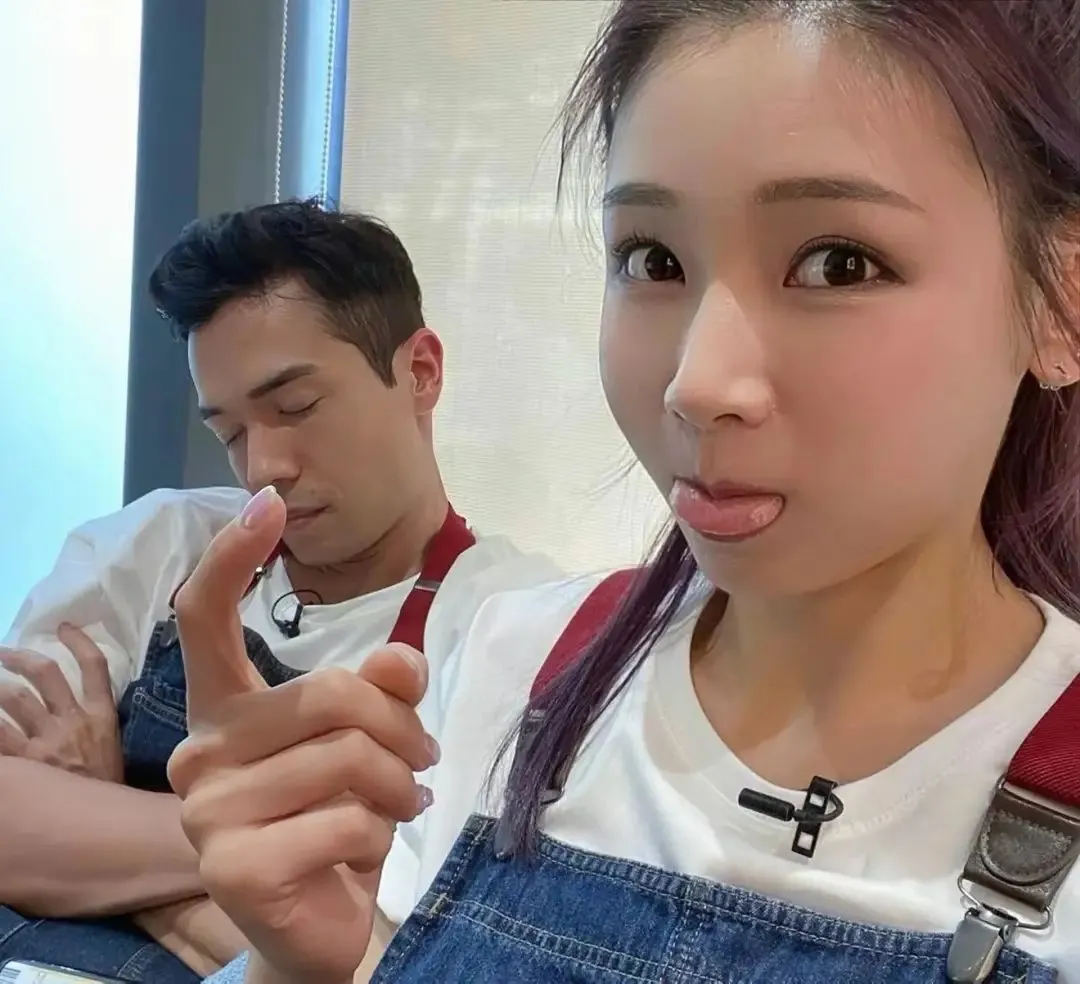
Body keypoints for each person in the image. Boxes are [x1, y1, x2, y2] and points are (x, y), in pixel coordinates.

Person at [178, 1, 1080, 982]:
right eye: (653, 260)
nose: (697, 382)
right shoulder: (511, 666)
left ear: (1060, 304)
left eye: (838, 264)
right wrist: (301, 960)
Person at [0, 201, 561, 982]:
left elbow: (383, 963)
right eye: (229, 432)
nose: (263, 467)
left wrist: (98, 816)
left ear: (420, 373)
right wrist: (238, 854)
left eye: (296, 408)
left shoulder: (517, 629)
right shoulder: (157, 546)